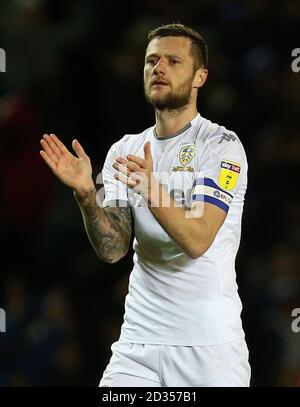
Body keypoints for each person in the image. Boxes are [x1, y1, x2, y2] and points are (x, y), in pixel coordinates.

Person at [40, 23, 251, 387]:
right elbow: (113, 248)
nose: (159, 68)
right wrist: (87, 197)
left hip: (207, 347)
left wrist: (152, 189)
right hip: (137, 344)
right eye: (152, 60)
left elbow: (198, 240)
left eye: (173, 60)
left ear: (200, 76)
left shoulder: (221, 146)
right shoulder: (124, 151)